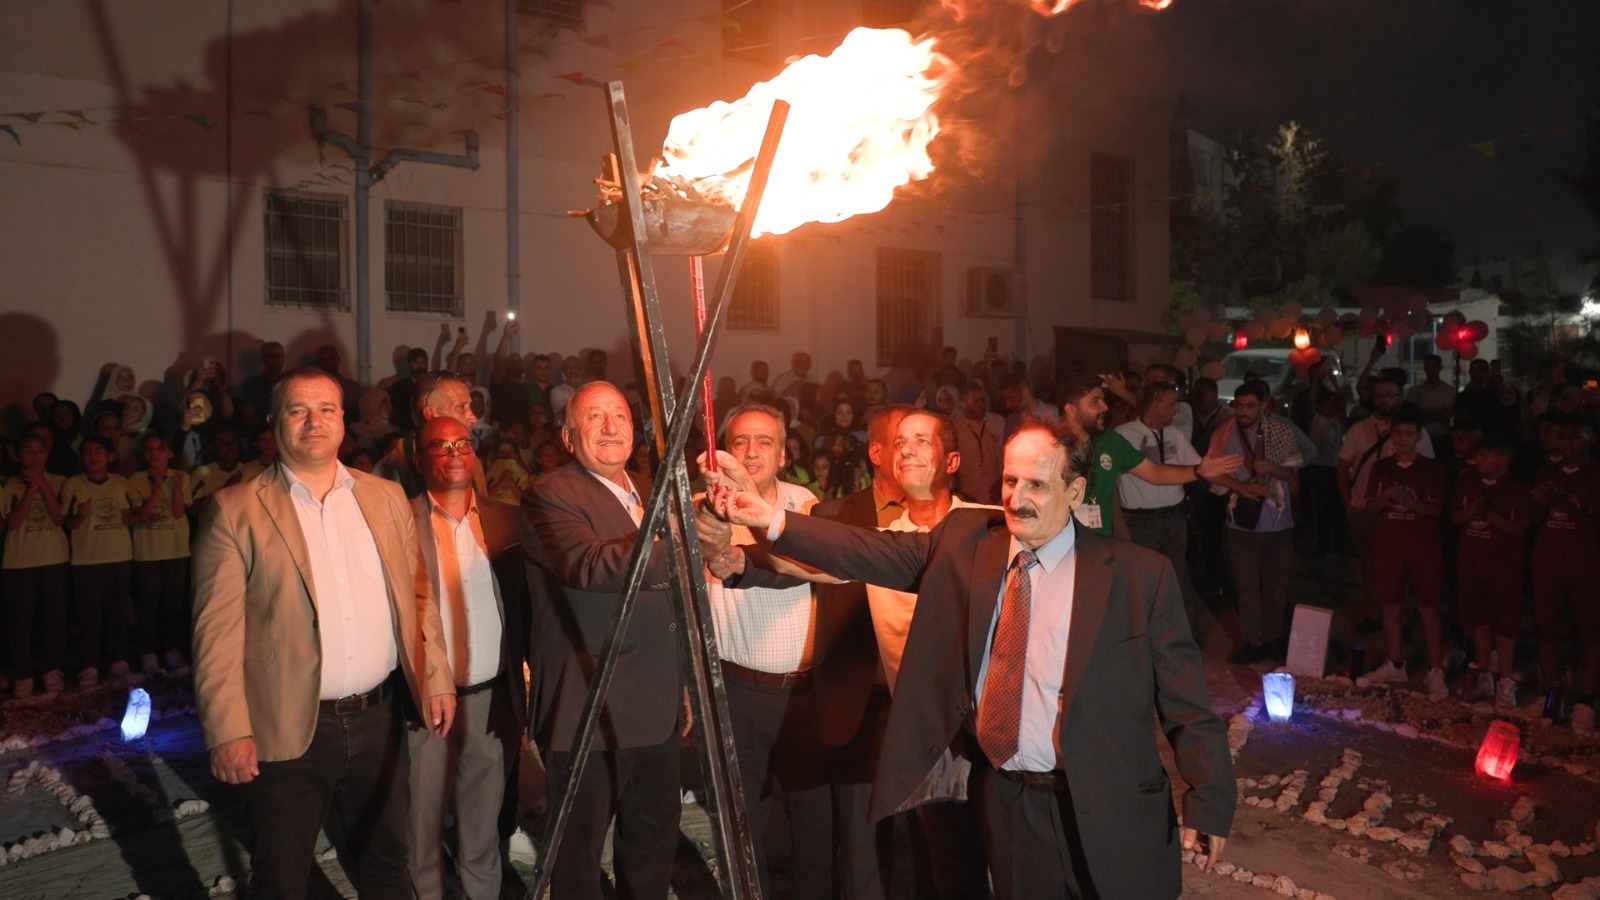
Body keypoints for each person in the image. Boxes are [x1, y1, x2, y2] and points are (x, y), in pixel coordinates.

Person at [703, 422, 1234, 898]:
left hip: (1110, 802)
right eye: (1010, 481)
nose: (1017, 499)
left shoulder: (1139, 576)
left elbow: (1186, 704)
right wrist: (770, 518)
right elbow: (866, 551)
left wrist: (1210, 796)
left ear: (1075, 491)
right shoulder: (967, 544)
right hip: (1011, 803)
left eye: (1037, 485)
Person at [190, 367, 455, 898]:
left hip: (380, 720)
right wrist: (227, 730)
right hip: (287, 725)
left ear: (343, 420)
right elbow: (214, 635)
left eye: (327, 409)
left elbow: (418, 599)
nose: (315, 421)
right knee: (283, 877)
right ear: (274, 422)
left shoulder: (385, 497)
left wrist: (437, 677)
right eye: (299, 410)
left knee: (387, 863)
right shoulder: (234, 510)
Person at [520, 381, 689, 899]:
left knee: (652, 845)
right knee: (579, 856)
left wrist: (681, 683)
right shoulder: (549, 494)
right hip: (589, 706)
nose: (611, 426)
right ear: (569, 437)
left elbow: (673, 601)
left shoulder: (650, 488)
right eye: (595, 416)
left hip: (656, 703)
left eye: (619, 415)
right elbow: (591, 566)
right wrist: (677, 537)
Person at [697, 403, 836, 898]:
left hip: (805, 693)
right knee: (741, 820)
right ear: (724, 451)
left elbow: (817, 571)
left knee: (815, 820)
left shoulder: (807, 505)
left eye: (764, 442)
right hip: (738, 692)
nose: (752, 452)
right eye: (740, 442)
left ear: (783, 453)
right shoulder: (704, 509)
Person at [406, 416, 528, 900]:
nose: (454, 452)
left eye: (462, 442)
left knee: (481, 835)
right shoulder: (399, 521)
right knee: (422, 834)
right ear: (420, 459)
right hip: (424, 705)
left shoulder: (508, 520)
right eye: (440, 446)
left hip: (491, 700)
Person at [1057, 374, 1239, 538]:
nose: (1104, 407)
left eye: (1103, 400)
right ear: (1071, 410)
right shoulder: (1048, 445)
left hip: (1099, 541)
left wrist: (1199, 471)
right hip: (1057, 542)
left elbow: (1154, 472)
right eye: (1095, 401)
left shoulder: (1111, 441)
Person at [1207, 382, 1305, 665]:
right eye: (1239, 405)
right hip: (1241, 522)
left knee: (1275, 585)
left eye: (1250, 406)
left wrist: (1271, 468)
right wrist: (1239, 485)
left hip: (1277, 523)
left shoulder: (1282, 431)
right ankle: (1253, 640)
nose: (1243, 412)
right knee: (1246, 586)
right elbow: (1210, 473)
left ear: (1263, 405)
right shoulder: (1224, 433)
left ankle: (1272, 638)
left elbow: (1292, 474)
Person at [1358, 407, 1448, 694]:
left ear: (1419, 436)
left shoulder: (1431, 469)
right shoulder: (1381, 467)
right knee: (1390, 606)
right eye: (1398, 433)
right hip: (1389, 546)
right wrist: (1386, 498)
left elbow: (1436, 510)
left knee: (1428, 608)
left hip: (1422, 548)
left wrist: (1409, 502)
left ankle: (1435, 669)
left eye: (1409, 434)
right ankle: (1395, 663)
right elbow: (1370, 506)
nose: (1403, 439)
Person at [1338, 375, 1435, 632]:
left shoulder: (1417, 431)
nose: (1384, 400)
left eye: (1390, 394)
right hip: (1364, 507)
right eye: (1379, 395)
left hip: (1404, 511)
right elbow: (1343, 467)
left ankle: (1404, 616)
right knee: (1369, 563)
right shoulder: (1359, 429)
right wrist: (1349, 502)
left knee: (1404, 564)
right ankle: (1373, 612)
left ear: (1400, 397)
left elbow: (1428, 468)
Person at [1115, 380, 1208, 643]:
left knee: (1177, 578)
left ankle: (1184, 639)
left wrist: (1234, 485)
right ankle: (1142, 641)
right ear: (1155, 403)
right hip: (1140, 521)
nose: (1177, 409)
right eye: (1172, 403)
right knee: (1143, 582)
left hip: (1174, 518)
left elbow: (1199, 467)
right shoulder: (1123, 436)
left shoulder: (1175, 434)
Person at [1528, 417, 1600, 736]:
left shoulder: (1594, 475)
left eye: (1574, 436)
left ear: (1590, 439)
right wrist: (1541, 503)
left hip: (1584, 565)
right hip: (1548, 562)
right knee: (1546, 627)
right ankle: (1550, 695)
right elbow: (1536, 520)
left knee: (1589, 632)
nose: (1566, 442)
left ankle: (1585, 701)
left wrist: (1562, 504)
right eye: (1562, 436)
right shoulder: (1547, 473)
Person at [1450, 434, 1530, 707]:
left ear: (1503, 459)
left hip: (1502, 568)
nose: (1479, 460)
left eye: (1485, 455)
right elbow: (1454, 517)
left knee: (1504, 626)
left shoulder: (1516, 489)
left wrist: (1490, 515)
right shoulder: (1468, 482)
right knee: (1478, 621)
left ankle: (1505, 680)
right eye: (1478, 454)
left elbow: (1520, 528)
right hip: (1472, 564)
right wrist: (1472, 513)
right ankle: (1483, 674)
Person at [61, 434, 135, 688]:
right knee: (88, 614)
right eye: (88, 452)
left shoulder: (120, 483)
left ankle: (118, 661)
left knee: (117, 611)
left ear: (109, 456)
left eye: (98, 451)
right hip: (86, 558)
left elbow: (126, 516)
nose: (93, 456)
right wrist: (81, 515)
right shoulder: (73, 484)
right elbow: (68, 524)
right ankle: (89, 665)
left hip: (119, 555)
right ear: (81, 457)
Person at [1, 433, 70, 699]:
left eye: (39, 450)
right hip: (19, 560)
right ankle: (23, 673)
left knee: (53, 618)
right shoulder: (9, 485)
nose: (34, 456)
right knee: (20, 621)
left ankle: (51, 669)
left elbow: (58, 517)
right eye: (27, 451)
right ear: (18, 456)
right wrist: (32, 488)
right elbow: (13, 522)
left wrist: (43, 484)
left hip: (54, 557)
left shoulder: (60, 481)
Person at [126, 432, 194, 675]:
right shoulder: (135, 479)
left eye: (159, 448)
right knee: (148, 603)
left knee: (173, 603)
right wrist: (156, 487)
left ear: (169, 453)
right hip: (147, 551)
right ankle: (148, 653)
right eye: (150, 449)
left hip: (175, 550)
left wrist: (174, 487)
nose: (154, 453)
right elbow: (141, 513)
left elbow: (178, 513)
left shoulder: (181, 477)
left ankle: (171, 650)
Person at [955, 384, 1004, 505]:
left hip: (997, 491)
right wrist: (961, 494)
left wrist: (1003, 481)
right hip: (969, 493)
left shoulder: (998, 422)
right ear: (963, 404)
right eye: (976, 401)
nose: (981, 405)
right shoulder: (956, 427)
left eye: (983, 400)